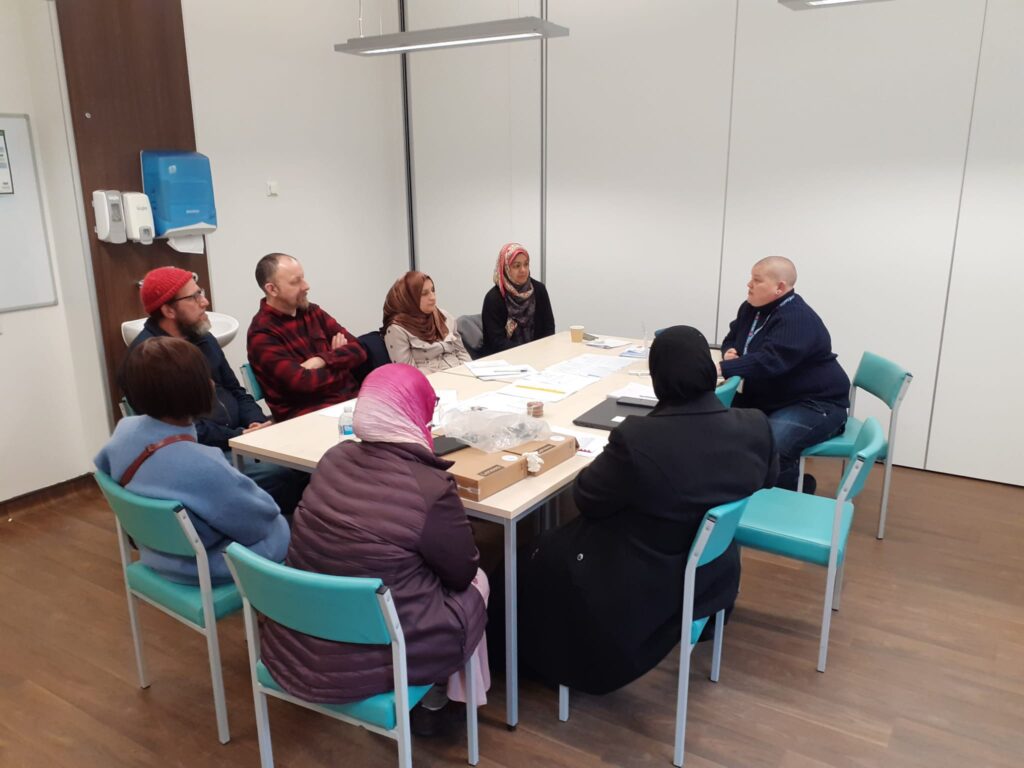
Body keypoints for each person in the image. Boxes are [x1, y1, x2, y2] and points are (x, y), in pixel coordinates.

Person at [517, 326, 777, 695]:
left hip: (646, 585)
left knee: (533, 558)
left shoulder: (640, 438)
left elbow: (587, 497)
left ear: (658, 379)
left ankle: (529, 658)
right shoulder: (755, 425)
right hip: (713, 570)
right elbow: (767, 477)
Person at [258, 363, 490, 723]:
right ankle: (442, 697)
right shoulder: (429, 487)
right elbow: (461, 572)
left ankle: (443, 694)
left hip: (300, 637)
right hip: (378, 653)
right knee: (478, 581)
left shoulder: (333, 458)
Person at [95, 336, 290, 584]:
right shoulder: (202, 464)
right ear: (194, 390)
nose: (211, 383)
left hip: (154, 553)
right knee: (283, 527)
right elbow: (260, 522)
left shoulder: (125, 431)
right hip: (203, 565)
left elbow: (104, 472)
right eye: (205, 378)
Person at [130, 266, 308, 515]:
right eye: (194, 297)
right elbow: (185, 429)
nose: (205, 301)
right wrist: (238, 436)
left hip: (240, 436)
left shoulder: (201, 337)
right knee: (283, 473)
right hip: (202, 450)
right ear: (168, 310)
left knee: (302, 454)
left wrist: (256, 423)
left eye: (200, 292)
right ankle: (280, 536)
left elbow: (236, 390)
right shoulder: (149, 361)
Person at [718, 256, 850, 493]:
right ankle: (736, 490)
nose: (749, 285)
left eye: (756, 281)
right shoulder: (751, 308)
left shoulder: (797, 318)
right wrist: (729, 352)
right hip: (773, 397)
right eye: (750, 278)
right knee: (712, 423)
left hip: (815, 403)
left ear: (780, 288)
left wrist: (724, 368)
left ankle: (785, 501)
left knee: (774, 447)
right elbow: (732, 337)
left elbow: (772, 362)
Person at [246, 253, 367, 422]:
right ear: (272, 289)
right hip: (308, 417)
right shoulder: (262, 333)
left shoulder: (313, 312)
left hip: (350, 403)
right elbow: (301, 383)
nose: (306, 286)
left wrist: (322, 360)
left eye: (303, 278)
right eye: (296, 282)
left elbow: (360, 350)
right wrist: (342, 364)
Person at [382, 271, 470, 372]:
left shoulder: (443, 316)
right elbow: (408, 373)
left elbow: (461, 352)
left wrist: (470, 373)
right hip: (432, 382)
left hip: (461, 374)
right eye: (424, 294)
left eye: (433, 290)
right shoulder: (397, 329)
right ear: (409, 298)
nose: (432, 297)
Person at [481, 242, 555, 355]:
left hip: (538, 355)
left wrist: (541, 352)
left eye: (526, 264)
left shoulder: (539, 290)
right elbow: (496, 342)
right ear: (505, 268)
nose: (523, 270)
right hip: (504, 359)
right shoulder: (494, 298)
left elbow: (549, 328)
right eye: (516, 266)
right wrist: (527, 352)